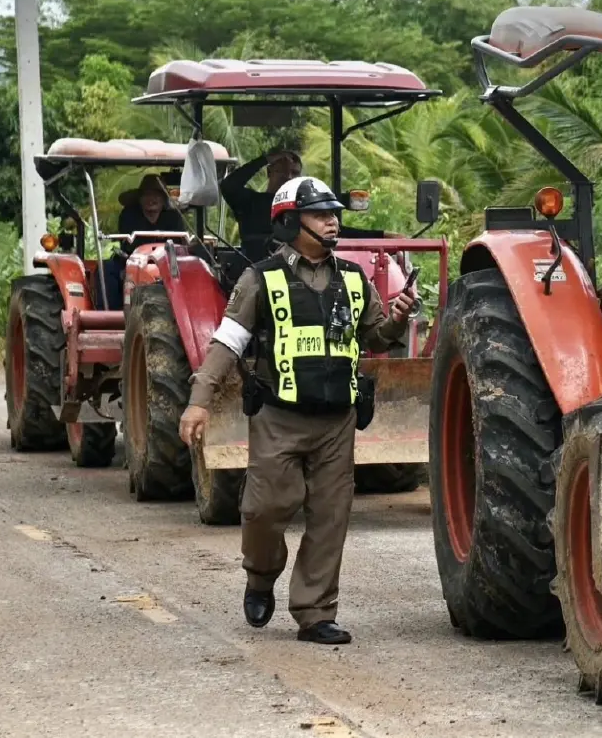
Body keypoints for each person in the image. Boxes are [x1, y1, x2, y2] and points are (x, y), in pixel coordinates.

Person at [178, 176, 417, 646]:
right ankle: (260, 575)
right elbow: (227, 344)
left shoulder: (354, 278)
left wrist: (398, 318)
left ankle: (315, 613)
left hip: (337, 421)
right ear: (289, 222)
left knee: (331, 517)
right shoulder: (259, 279)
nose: (333, 223)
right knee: (264, 509)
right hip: (277, 418)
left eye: (334, 215)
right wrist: (198, 402)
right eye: (321, 215)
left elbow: (374, 337)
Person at [220, 149, 402, 261]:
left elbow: (335, 231)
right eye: (282, 171)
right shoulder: (249, 202)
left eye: (294, 173)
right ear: (269, 172)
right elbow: (228, 186)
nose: (288, 177)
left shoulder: (302, 208)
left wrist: (382, 236)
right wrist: (265, 158)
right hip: (253, 269)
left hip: (299, 274)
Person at [102, 174, 188, 310]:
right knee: (105, 269)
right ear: (140, 199)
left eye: (157, 195)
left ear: (164, 199)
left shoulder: (174, 217)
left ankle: (185, 310)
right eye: (147, 195)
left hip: (168, 263)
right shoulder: (129, 215)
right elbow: (128, 244)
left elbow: (180, 245)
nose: (152, 199)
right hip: (131, 260)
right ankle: (110, 313)